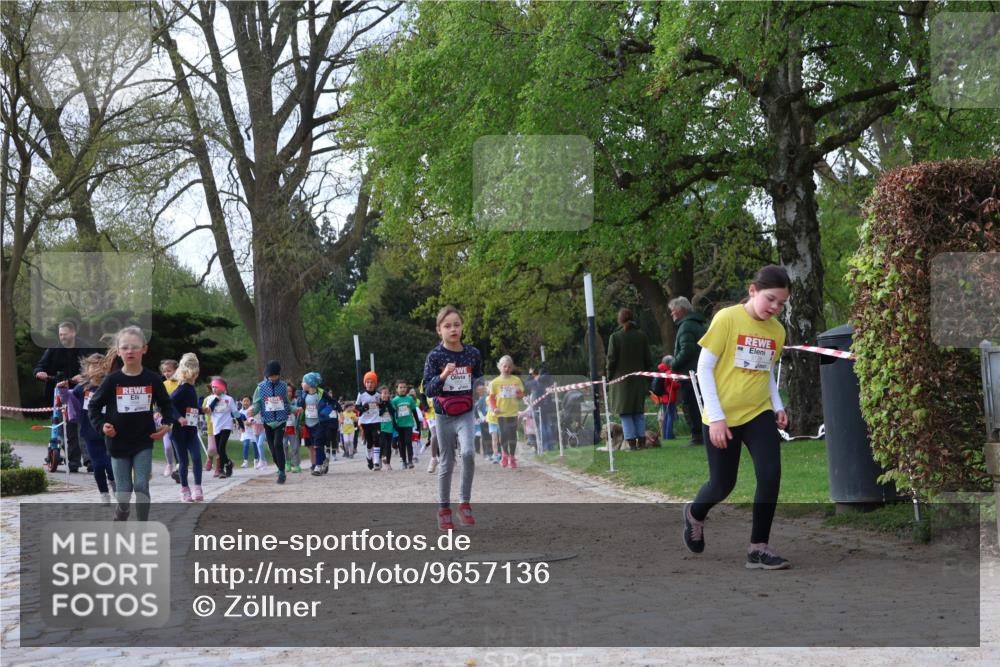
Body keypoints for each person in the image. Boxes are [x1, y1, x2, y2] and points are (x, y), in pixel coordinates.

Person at [683, 265, 792, 570]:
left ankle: (758, 548)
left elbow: (766, 371)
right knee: (722, 484)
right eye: (770, 299)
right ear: (752, 290)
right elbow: (703, 368)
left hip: (759, 413)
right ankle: (695, 513)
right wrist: (716, 418)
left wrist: (778, 404)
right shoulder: (727, 319)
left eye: (781, 304)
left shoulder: (777, 331)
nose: (775, 308)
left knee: (770, 474)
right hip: (722, 416)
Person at [87, 326, 175, 521]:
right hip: (117, 441)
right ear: (118, 351)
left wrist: (167, 425)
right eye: (125, 347)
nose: (130, 351)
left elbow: (167, 405)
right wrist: (102, 426)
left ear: (144, 349)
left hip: (143, 440)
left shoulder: (152, 379)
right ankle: (122, 511)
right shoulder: (112, 380)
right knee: (124, 491)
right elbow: (93, 407)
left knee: (141, 485)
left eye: (134, 347)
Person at [422, 305, 483, 530]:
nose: (453, 329)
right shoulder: (435, 356)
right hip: (444, 414)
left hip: (466, 412)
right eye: (447, 326)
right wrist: (443, 375)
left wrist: (480, 388)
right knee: (447, 461)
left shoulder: (472, 353)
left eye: (457, 325)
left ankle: (464, 503)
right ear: (439, 330)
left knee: (468, 453)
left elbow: (478, 378)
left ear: (462, 327)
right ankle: (444, 509)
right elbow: (427, 389)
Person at [33, 321, 101, 471]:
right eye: (60, 334)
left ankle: (89, 460)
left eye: (65, 334)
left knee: (83, 424)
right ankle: (73, 462)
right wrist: (39, 372)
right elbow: (40, 366)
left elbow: (98, 365)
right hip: (60, 393)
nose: (62, 337)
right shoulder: (53, 349)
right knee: (64, 426)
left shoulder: (86, 348)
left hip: (82, 391)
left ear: (73, 333)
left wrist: (84, 375)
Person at [59, 354, 115, 504]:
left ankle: (114, 484)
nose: (96, 368)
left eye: (99, 365)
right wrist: (63, 391)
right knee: (97, 465)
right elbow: (68, 401)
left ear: (106, 367)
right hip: (89, 431)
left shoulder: (111, 384)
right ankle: (104, 494)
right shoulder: (82, 387)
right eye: (92, 365)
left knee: (110, 464)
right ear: (87, 368)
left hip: (110, 431)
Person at [605, 308, 653, 451]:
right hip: (639, 380)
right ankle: (642, 443)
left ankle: (632, 445)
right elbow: (648, 360)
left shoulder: (615, 337)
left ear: (619, 320)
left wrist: (609, 378)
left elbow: (611, 360)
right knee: (638, 412)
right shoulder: (642, 336)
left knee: (626, 413)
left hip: (621, 382)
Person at [670, 296, 708, 446]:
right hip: (699, 371)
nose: (671, 314)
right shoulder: (697, 325)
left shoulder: (686, 326)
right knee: (700, 403)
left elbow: (687, 350)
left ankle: (697, 436)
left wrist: (673, 364)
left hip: (690, 373)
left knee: (691, 404)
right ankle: (702, 434)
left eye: (673, 311)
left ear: (681, 310)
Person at [250, 360, 291, 484]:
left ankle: (282, 472)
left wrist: (294, 409)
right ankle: (279, 467)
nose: (273, 378)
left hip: (281, 420)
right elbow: (257, 403)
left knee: (278, 443)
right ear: (267, 375)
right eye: (271, 376)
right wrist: (253, 411)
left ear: (279, 374)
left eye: (275, 375)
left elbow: (286, 403)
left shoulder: (283, 386)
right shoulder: (260, 387)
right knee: (272, 449)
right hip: (267, 421)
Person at [170, 354, 204, 501]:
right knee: (184, 462)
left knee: (197, 457)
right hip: (178, 432)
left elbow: (192, 407)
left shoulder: (191, 388)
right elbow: (168, 405)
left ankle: (198, 488)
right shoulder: (182, 388)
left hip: (191, 431)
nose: (195, 376)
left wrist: (203, 410)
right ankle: (184, 488)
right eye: (193, 373)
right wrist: (179, 417)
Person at [489, 355, 525, 468]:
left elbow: (521, 395)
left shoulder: (516, 380)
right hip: (501, 412)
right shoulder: (495, 382)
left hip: (513, 412)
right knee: (504, 434)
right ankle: (505, 454)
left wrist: (519, 393)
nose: (507, 369)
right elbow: (491, 398)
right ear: (500, 367)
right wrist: (494, 408)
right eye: (504, 366)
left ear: (512, 368)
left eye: (509, 367)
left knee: (512, 434)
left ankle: (512, 457)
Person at [205, 377, 241, 479]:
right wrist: (215, 400)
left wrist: (241, 425)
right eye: (212, 387)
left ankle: (222, 469)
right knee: (219, 450)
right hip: (216, 426)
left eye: (216, 387)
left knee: (221, 448)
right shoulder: (210, 399)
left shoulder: (229, 399)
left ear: (223, 388)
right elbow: (209, 411)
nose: (214, 389)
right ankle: (228, 464)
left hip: (226, 426)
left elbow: (235, 413)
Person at [356, 371, 381, 471]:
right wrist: (363, 408)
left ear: (375, 383)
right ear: (365, 383)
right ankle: (369, 458)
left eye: (372, 382)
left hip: (376, 420)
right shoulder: (361, 394)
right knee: (369, 442)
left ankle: (376, 462)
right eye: (368, 382)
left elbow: (382, 404)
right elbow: (357, 406)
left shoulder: (378, 395)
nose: (370, 384)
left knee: (376, 439)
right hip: (365, 421)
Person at [391, 380, 419, 469]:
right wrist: (394, 424)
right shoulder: (394, 401)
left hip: (408, 424)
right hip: (399, 425)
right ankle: (403, 460)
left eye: (404, 387)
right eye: (400, 387)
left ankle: (410, 461)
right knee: (401, 443)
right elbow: (392, 414)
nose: (403, 389)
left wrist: (418, 424)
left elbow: (414, 412)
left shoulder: (410, 399)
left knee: (408, 442)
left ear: (406, 389)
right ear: (397, 389)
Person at [652, 355, 680, 441]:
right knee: (670, 416)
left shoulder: (661, 370)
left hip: (663, 397)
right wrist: (679, 383)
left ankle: (665, 435)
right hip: (669, 396)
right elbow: (674, 385)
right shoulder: (669, 372)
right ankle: (668, 435)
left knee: (666, 416)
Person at [284, 382, 303, 473]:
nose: (288, 393)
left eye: (290, 391)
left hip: (293, 428)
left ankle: (296, 465)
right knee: (284, 446)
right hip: (283, 428)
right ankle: (287, 463)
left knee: (295, 447)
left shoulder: (296, 402)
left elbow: (300, 413)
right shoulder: (280, 402)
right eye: (286, 391)